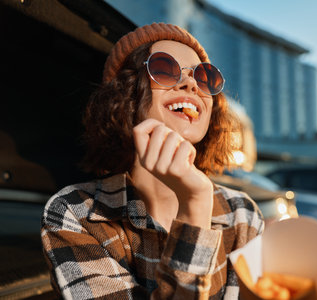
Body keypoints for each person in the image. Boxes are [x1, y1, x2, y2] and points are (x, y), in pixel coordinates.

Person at [41, 23, 264, 299]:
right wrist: (195, 207)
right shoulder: (76, 213)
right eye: (164, 68)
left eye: (204, 77)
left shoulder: (243, 215)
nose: (192, 84)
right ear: (127, 95)